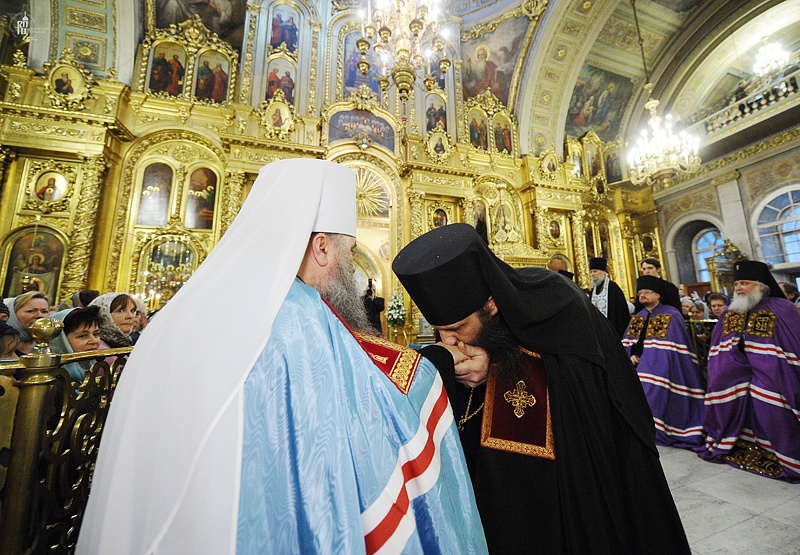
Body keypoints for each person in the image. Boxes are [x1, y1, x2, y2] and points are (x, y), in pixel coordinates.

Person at [77, 159, 486, 555]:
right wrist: (443, 361)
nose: (350, 268)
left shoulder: (190, 309)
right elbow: (370, 401)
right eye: (348, 251)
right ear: (321, 247)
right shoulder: (296, 315)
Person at [393, 223, 690, 554]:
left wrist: (497, 362)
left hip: (573, 476)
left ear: (490, 304)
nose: (448, 341)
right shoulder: (464, 333)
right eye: (439, 331)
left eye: (457, 328)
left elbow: (582, 379)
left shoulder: (558, 300)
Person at [698, 260, 800, 481]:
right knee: (725, 389)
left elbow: (793, 344)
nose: (738, 288)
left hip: (774, 371)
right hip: (736, 371)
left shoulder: (783, 308)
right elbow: (720, 346)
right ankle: (743, 445)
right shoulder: (730, 312)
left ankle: (781, 454)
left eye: (744, 283)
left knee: (767, 398)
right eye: (736, 284)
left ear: (761, 285)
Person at [623, 276, 705, 448]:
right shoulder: (638, 317)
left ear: (658, 295)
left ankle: (655, 428)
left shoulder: (671, 314)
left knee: (651, 383)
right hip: (637, 364)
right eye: (640, 293)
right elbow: (628, 343)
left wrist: (648, 362)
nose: (642, 295)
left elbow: (672, 349)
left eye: (647, 292)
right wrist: (631, 355)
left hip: (663, 366)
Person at [50, 306, 103, 382]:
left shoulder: (95, 370)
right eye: (83, 336)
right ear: (60, 340)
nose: (94, 341)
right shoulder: (50, 380)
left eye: (96, 334)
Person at [589, 257, 631, 338]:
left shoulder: (613, 288)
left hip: (612, 329)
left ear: (603, 272)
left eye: (595, 271)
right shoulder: (593, 291)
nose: (592, 274)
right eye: (591, 272)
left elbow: (620, 312)